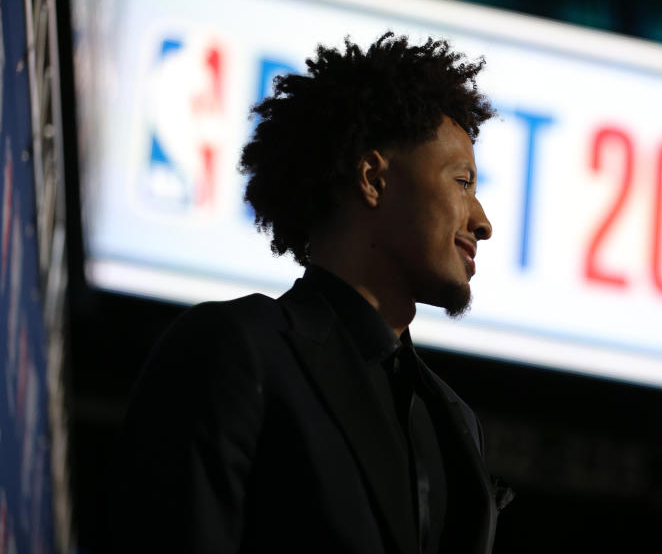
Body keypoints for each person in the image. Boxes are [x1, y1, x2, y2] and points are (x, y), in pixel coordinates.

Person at [108, 32, 512, 553]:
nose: (482, 222)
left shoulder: (457, 421)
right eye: (463, 182)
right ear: (373, 178)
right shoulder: (235, 350)